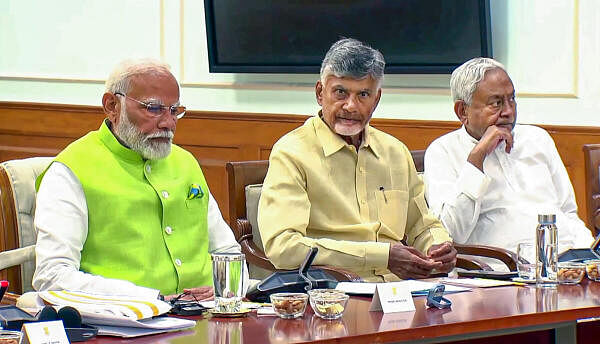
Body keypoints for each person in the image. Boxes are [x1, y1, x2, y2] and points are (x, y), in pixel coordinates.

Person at [33, 59, 244, 300]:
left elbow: (227, 252)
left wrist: (226, 290)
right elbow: (52, 276)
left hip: (211, 316)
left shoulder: (185, 162)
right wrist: (152, 298)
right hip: (127, 323)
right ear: (112, 106)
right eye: (153, 109)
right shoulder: (71, 170)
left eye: (174, 110)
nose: (168, 123)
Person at [258, 38, 456, 282]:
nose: (351, 106)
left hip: (402, 293)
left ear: (377, 99)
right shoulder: (292, 153)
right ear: (321, 93)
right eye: (340, 92)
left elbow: (423, 225)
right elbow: (283, 248)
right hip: (332, 296)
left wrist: (439, 247)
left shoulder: (395, 151)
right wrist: (380, 255)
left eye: (363, 94)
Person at [424, 57, 594, 263]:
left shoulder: (537, 139)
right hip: (504, 274)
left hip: (570, 265)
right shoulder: (443, 151)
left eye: (511, 99)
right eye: (496, 103)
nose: (509, 112)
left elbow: (568, 211)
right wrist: (476, 159)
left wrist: (589, 253)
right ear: (463, 111)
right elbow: (450, 232)